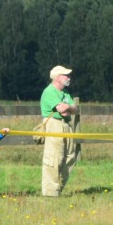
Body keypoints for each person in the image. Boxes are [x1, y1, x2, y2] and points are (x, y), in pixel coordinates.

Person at [40, 65, 78, 197]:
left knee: (70, 157)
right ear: (58, 78)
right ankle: (50, 194)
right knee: (54, 159)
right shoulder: (49, 91)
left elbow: (74, 109)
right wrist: (68, 108)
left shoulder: (66, 93)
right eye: (66, 75)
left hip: (67, 125)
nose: (69, 78)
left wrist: (68, 106)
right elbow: (61, 111)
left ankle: (58, 189)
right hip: (54, 125)